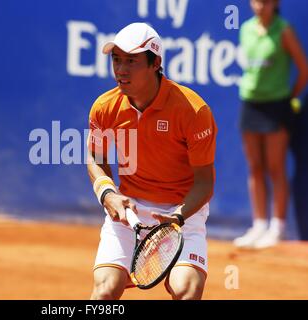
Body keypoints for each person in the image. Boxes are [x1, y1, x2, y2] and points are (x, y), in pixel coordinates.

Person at [86, 23, 217, 300]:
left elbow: (205, 183)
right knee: (103, 292)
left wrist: (178, 216)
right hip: (130, 212)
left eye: (131, 61)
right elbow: (96, 157)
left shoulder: (193, 111)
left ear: (155, 63)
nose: (120, 69)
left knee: (187, 290)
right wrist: (108, 193)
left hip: (182, 215)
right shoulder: (105, 108)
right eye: (116, 60)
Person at [233, 0, 308, 249]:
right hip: (250, 104)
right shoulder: (245, 29)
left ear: (275, 3)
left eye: (265, 2)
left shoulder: (283, 30)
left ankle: (278, 227)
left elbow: (303, 69)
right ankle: (259, 225)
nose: (259, 6)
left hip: (277, 106)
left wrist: (290, 99)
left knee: (276, 168)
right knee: (255, 167)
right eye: (255, 1)